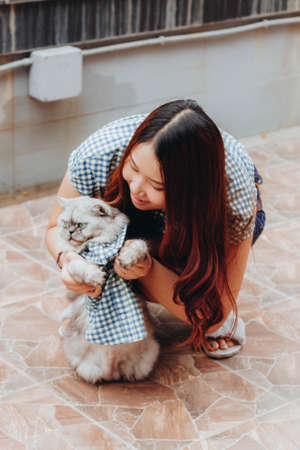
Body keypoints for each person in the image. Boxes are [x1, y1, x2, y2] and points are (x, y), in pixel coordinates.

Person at [46, 99, 265, 358]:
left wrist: (148, 269)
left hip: (200, 222)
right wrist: (68, 259)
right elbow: (53, 228)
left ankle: (169, 280)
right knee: (105, 250)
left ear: (192, 190)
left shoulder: (232, 192)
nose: (137, 187)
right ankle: (111, 300)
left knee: (211, 317)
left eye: (157, 185)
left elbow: (218, 313)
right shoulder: (98, 154)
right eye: (133, 168)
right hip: (130, 221)